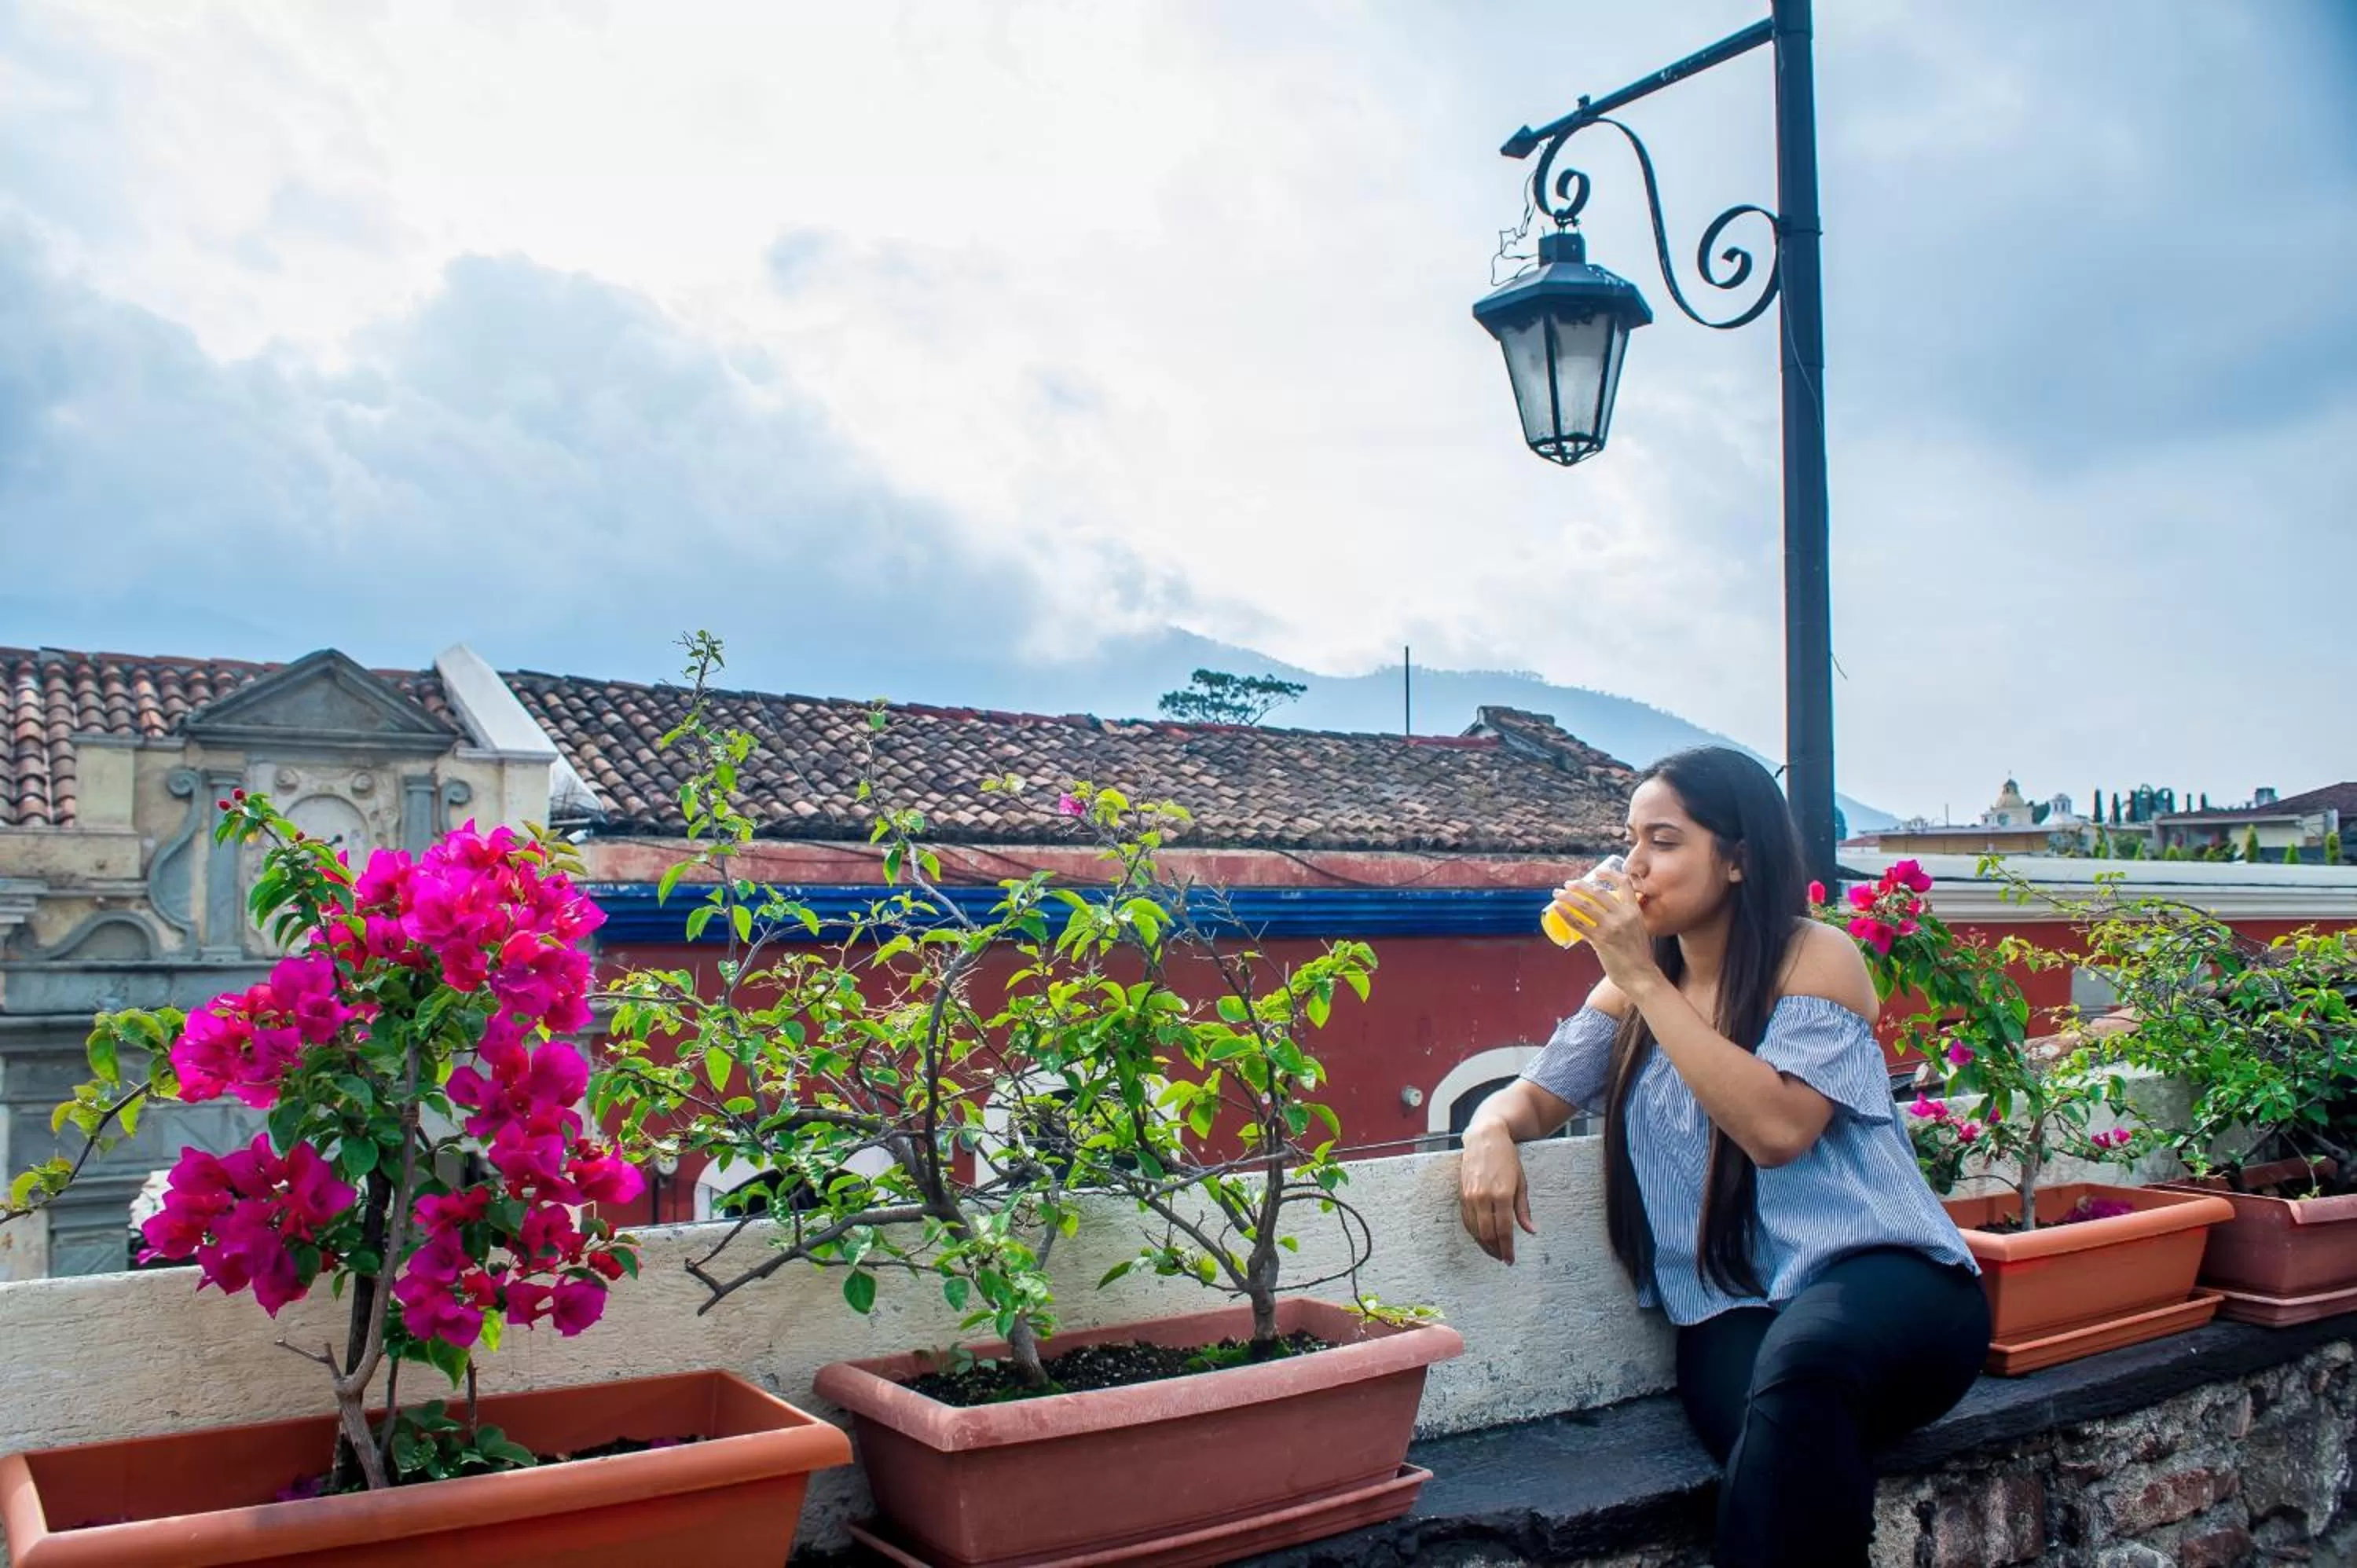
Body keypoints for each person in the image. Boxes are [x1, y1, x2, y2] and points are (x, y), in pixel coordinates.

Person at [1457, 747, 1989, 1568]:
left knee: (1807, 1367)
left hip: (1883, 1275)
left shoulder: (1813, 956)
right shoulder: (1629, 991)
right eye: (1629, 840)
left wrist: (1642, 980)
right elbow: (1534, 1095)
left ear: (1737, 859)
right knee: (1783, 1452)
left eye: (1663, 842)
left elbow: (1778, 1130)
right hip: (1725, 1302)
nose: (1633, 866)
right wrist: (1487, 1131)